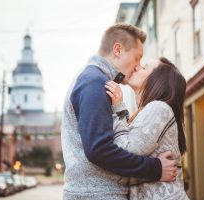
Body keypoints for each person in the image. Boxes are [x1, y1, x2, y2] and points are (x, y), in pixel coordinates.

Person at [61, 24, 177, 200]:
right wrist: (156, 169)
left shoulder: (97, 80)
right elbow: (99, 150)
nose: (138, 66)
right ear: (118, 50)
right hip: (96, 194)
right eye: (137, 58)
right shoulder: (94, 82)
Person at [106, 57, 189, 199]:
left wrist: (117, 108)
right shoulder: (145, 113)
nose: (137, 67)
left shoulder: (159, 108)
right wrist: (157, 169)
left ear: (158, 81)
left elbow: (125, 151)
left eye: (144, 67)